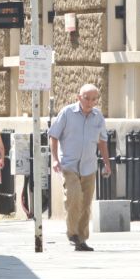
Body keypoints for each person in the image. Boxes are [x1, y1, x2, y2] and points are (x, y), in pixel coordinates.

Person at [49, 84, 111, 251]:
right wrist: (55, 159)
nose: (90, 102)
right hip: (68, 164)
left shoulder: (98, 117)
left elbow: (102, 141)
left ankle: (81, 239)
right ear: (79, 97)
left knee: (85, 204)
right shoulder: (67, 113)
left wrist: (106, 163)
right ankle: (72, 233)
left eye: (93, 99)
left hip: (89, 166)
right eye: (86, 98)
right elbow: (53, 135)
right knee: (74, 196)